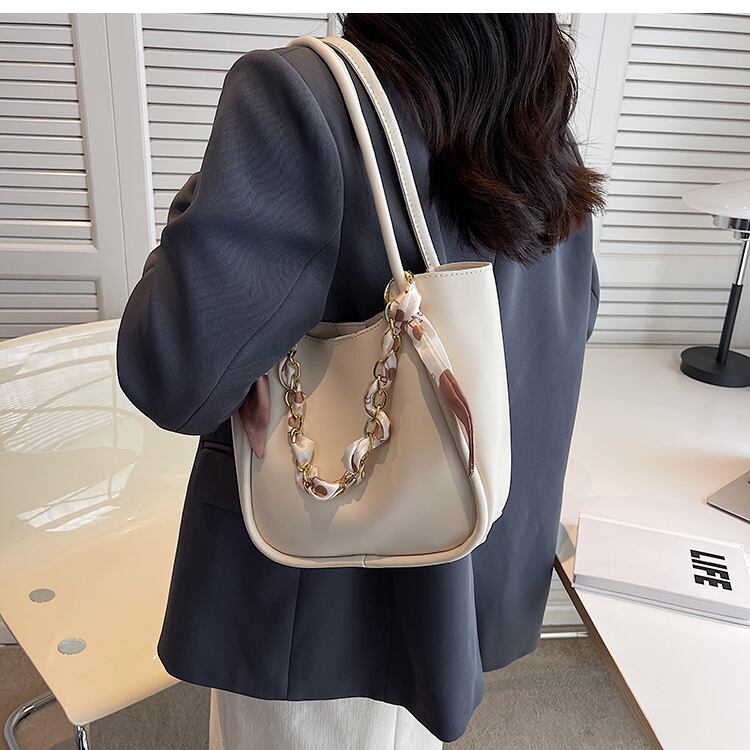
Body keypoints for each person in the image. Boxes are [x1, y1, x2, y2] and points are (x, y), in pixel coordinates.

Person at [116, 13, 604, 750]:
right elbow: (570, 316)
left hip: (324, 597)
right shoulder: (537, 104)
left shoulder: (305, 95)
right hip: (469, 561)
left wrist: (205, 197)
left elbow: (171, 371)